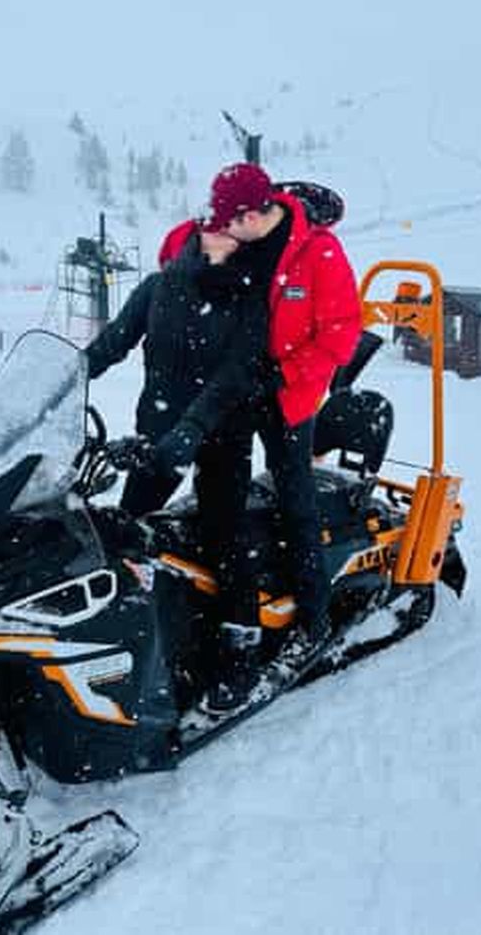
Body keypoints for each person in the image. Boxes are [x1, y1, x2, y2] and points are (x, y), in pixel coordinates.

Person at [159, 163, 362, 701]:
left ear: (255, 214)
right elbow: (175, 250)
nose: (220, 228)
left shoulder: (316, 254)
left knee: (296, 504)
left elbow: (342, 334)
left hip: (284, 400)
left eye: (230, 222)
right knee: (218, 503)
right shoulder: (224, 231)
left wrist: (287, 376)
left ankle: (313, 621)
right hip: (226, 394)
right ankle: (233, 621)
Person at [84, 218, 273, 670]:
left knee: (223, 530)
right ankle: (122, 627)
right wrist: (61, 381)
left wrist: (192, 429)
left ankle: (241, 643)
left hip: (223, 433)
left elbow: (235, 377)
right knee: (124, 529)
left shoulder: (250, 298)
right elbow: (110, 345)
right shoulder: (157, 289)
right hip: (160, 433)